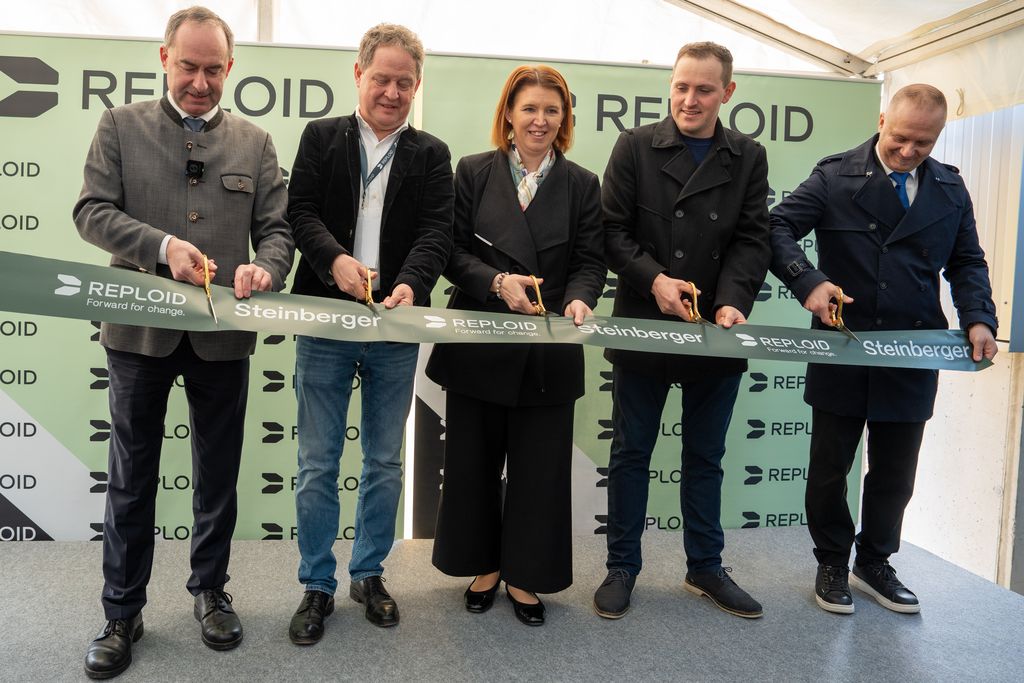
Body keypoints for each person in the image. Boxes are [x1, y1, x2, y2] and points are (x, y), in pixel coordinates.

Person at [73, 6, 293, 678]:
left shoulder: (254, 142)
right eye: (190, 65)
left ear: (230, 69)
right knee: (131, 477)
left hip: (222, 338)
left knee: (217, 475)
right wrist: (162, 247)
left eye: (214, 69)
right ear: (164, 58)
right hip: (137, 335)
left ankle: (210, 590)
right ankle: (121, 608)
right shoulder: (119, 125)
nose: (201, 81)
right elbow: (91, 211)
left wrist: (268, 267)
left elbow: (278, 230)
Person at [769, 84, 997, 615]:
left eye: (923, 142)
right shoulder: (834, 175)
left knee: (896, 470)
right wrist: (809, 282)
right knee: (830, 466)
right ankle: (831, 561)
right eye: (899, 138)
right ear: (881, 120)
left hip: (913, 350)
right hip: (844, 344)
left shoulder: (950, 188)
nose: (908, 152)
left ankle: (874, 562)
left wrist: (979, 318)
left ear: (939, 136)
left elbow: (967, 261)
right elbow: (776, 225)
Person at [285, 24, 453, 644]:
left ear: (417, 85)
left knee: (384, 459)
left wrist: (409, 282)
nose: (391, 91)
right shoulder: (320, 137)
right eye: (380, 78)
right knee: (316, 462)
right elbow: (298, 211)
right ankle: (316, 584)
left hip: (395, 325)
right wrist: (334, 260)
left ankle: (369, 573)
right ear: (358, 74)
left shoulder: (432, 154)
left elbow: (438, 232)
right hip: (326, 321)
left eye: (404, 82)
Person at [594, 42, 770, 620]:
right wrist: (656, 281)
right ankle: (622, 567)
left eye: (703, 89)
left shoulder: (748, 155)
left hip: (715, 332)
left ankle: (705, 567)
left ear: (727, 93)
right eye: (681, 87)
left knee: (706, 456)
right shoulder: (634, 146)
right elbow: (613, 233)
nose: (689, 100)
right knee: (630, 453)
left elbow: (751, 238)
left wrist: (733, 302)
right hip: (646, 323)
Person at [425, 65, 605, 626]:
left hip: (547, 348)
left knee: (539, 471)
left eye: (552, 110)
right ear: (508, 113)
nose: (540, 120)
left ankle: (526, 574)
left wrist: (578, 299)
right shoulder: (473, 171)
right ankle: (483, 565)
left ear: (564, 119)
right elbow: (450, 249)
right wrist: (497, 282)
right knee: (472, 464)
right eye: (529, 108)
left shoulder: (581, 183)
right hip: (479, 339)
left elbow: (589, 262)